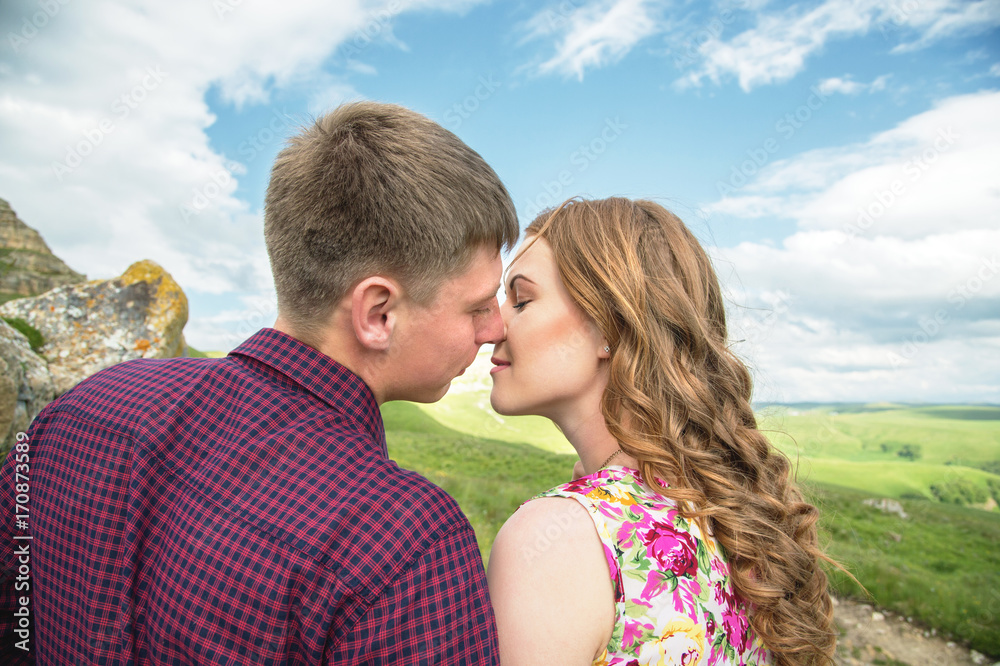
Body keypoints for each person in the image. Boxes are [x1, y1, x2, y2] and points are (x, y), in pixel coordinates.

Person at [0, 102, 519, 664]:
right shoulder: (406, 543)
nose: (495, 328)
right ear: (377, 313)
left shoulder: (83, 407)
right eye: (475, 306)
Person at [486, 197, 837, 665]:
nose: (493, 324)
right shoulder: (726, 507)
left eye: (521, 299)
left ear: (609, 324)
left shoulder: (559, 539)